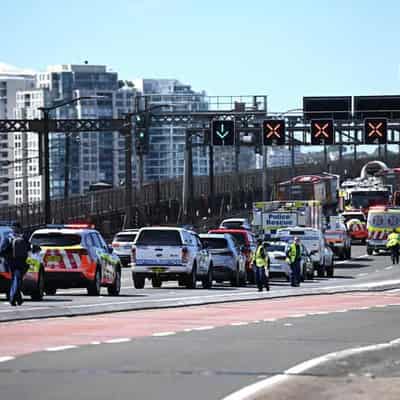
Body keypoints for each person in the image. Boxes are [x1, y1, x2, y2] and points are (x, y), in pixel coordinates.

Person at [0, 222, 30, 306]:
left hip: (11, 262)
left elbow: (2, 250)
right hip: (21, 261)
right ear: (19, 228)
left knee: (15, 279)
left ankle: (16, 298)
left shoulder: (8, 238)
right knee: (17, 279)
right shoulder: (24, 237)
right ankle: (14, 298)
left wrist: (6, 258)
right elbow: (29, 248)